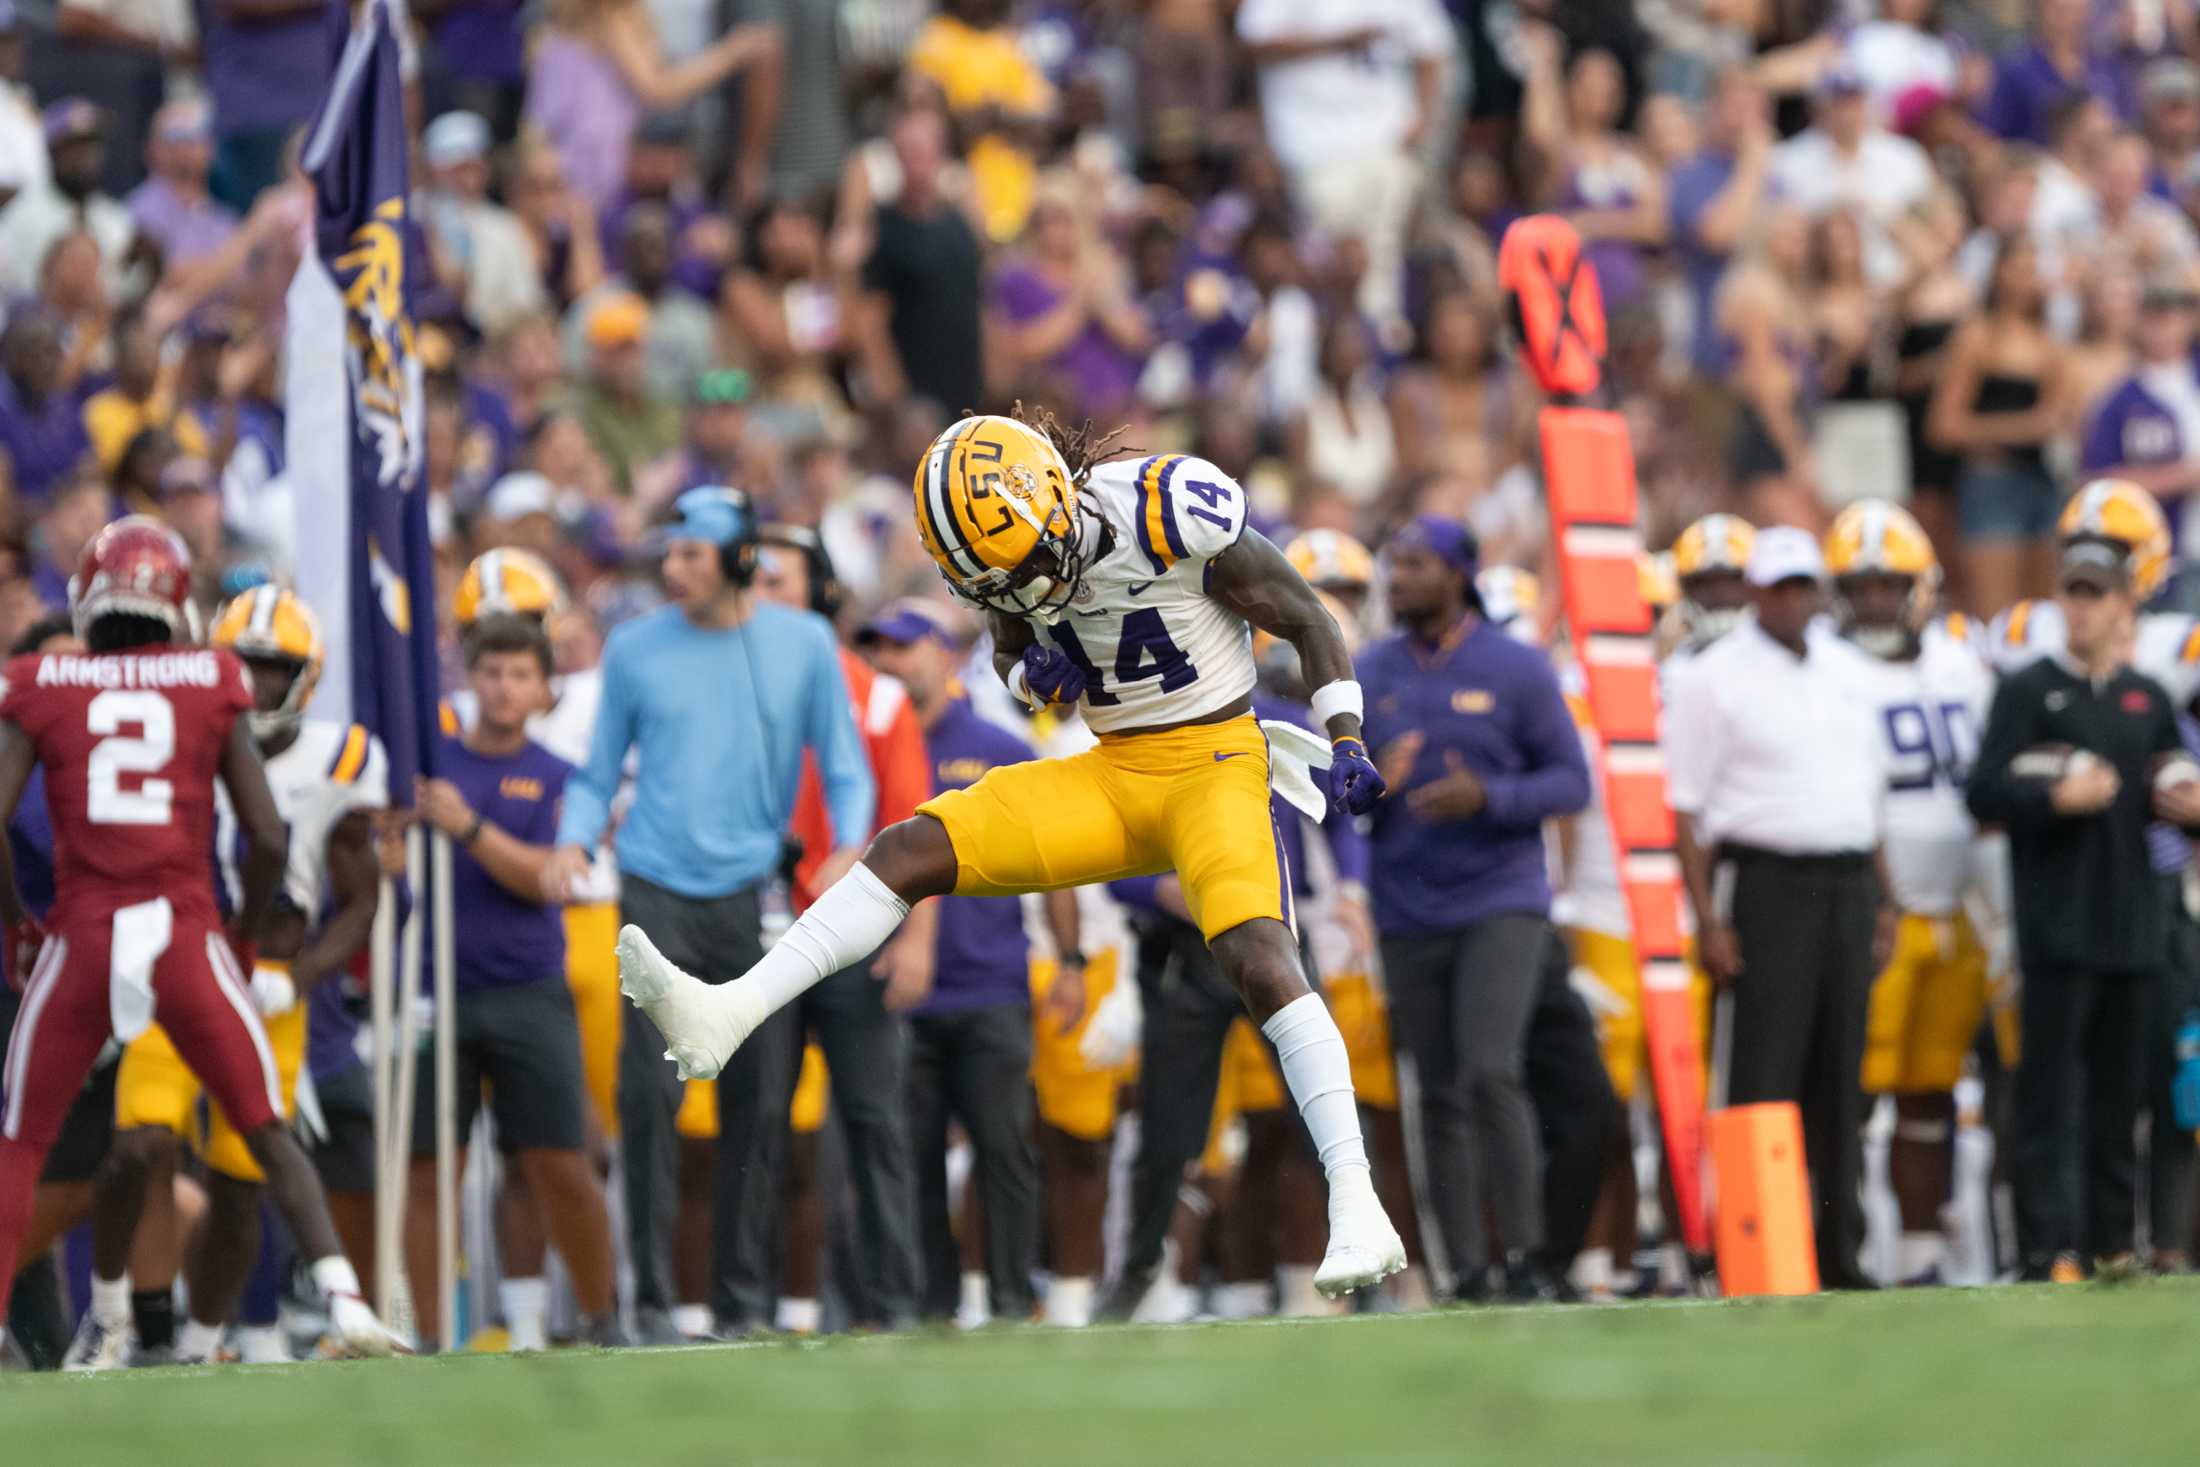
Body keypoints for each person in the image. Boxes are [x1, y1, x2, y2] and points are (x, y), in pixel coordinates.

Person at [620, 411, 1408, 1297]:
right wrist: (1035, 676)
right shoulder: (999, 560)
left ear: (1058, 503)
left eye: (1031, 568)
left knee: (1258, 954)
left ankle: (1358, 1198)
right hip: (1113, 772)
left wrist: (1347, 736)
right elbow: (1011, 661)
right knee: (913, 846)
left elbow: (1304, 615)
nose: (1029, 591)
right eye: (1003, 583)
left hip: (1214, 762)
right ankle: (724, 1015)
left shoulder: (1164, 509)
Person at [0, 519, 401, 1367]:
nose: (257, 680)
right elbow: (264, 833)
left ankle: (202, 1330)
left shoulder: (39, 680)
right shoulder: (208, 681)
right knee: (256, 1128)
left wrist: (20, 925)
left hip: (84, 930)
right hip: (186, 932)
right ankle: (345, 1303)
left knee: (22, 1140)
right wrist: (244, 935)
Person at [541, 486, 878, 1343]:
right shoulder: (634, 646)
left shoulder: (803, 644)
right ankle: (650, 1299)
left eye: (693, 552)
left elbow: (847, 768)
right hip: (653, 888)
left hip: (754, 894)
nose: (674, 567)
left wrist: (847, 844)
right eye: (671, 551)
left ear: (739, 561)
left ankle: (740, 1300)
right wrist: (576, 840)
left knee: (759, 1103)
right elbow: (595, 771)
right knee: (649, 1100)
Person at [1358, 518, 1591, 1300]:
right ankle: (1465, 1267)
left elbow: (1570, 782)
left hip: (1501, 896)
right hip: (1406, 903)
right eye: (1395, 564)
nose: (1398, 579)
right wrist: (1369, 786)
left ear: (1459, 574)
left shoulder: (1517, 668)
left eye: (1415, 564)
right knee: (1439, 1088)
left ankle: (1525, 1253)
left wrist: (1487, 795)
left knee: (1492, 1067)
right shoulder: (1366, 671)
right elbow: (1330, 799)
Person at [1967, 532, 2200, 1282]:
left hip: (2132, 926)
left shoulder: (2145, 697)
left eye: (2095, 593)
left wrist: (2187, 804)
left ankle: (2110, 1241)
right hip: (2057, 927)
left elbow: (2176, 793)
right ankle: (2048, 1246)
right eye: (2071, 591)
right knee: (2049, 1096)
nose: (2080, 606)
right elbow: (1983, 790)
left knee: (2120, 1097)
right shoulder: (2030, 689)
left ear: (2126, 605)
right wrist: (2051, 795)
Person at [1666, 527, 1894, 1290]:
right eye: (1779, 586)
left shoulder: (1849, 668)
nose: (1792, 598)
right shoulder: (1713, 676)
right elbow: (1687, 811)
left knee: (1841, 1074)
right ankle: (1756, 1248)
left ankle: (1840, 1252)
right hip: (1766, 884)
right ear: (1757, 592)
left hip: (1850, 880)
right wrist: (1709, 917)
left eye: (1803, 585)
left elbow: (1868, 794)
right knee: (1764, 1073)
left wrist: (1886, 901)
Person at [409, 613, 620, 1348]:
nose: (503, 687)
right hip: (434, 990)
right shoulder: (430, 765)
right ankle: (432, 1338)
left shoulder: (562, 778)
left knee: (557, 1158)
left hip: (529, 988)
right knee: (430, 1170)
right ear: (471, 677)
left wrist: (466, 827)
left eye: (519, 674)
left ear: (544, 689)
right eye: (491, 672)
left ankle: (601, 1318)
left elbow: (546, 878)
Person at [1823, 502, 2003, 1285]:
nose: (1871, 601)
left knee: (1931, 1093)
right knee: (1857, 1096)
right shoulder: (1826, 668)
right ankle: (1851, 1253)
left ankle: (1925, 1257)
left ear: (1920, 587)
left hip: (1958, 911)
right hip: (1880, 915)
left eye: (1886, 585)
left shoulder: (1964, 665)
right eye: (1858, 586)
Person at [862, 598, 1049, 1324]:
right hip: (900, 985)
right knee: (909, 1157)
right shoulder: (866, 746)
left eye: (906, 647)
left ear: (944, 653)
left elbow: (1048, 860)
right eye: (880, 649)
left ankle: (1008, 1300)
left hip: (989, 976)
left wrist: (1066, 956)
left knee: (1003, 1148)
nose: (891, 662)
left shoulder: (998, 747)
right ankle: (929, 1308)